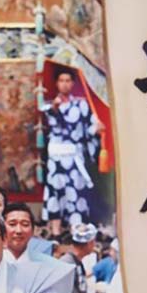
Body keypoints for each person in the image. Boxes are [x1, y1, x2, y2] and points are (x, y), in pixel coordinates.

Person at [41, 69, 102, 236]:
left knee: (76, 189)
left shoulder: (82, 104)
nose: (65, 84)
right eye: (61, 80)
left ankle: (77, 228)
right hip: (56, 156)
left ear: (73, 83)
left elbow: (87, 129)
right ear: (57, 83)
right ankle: (55, 231)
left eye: (68, 80)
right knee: (56, 189)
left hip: (74, 154)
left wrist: (96, 128)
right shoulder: (49, 104)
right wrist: (55, 107)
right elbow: (51, 116)